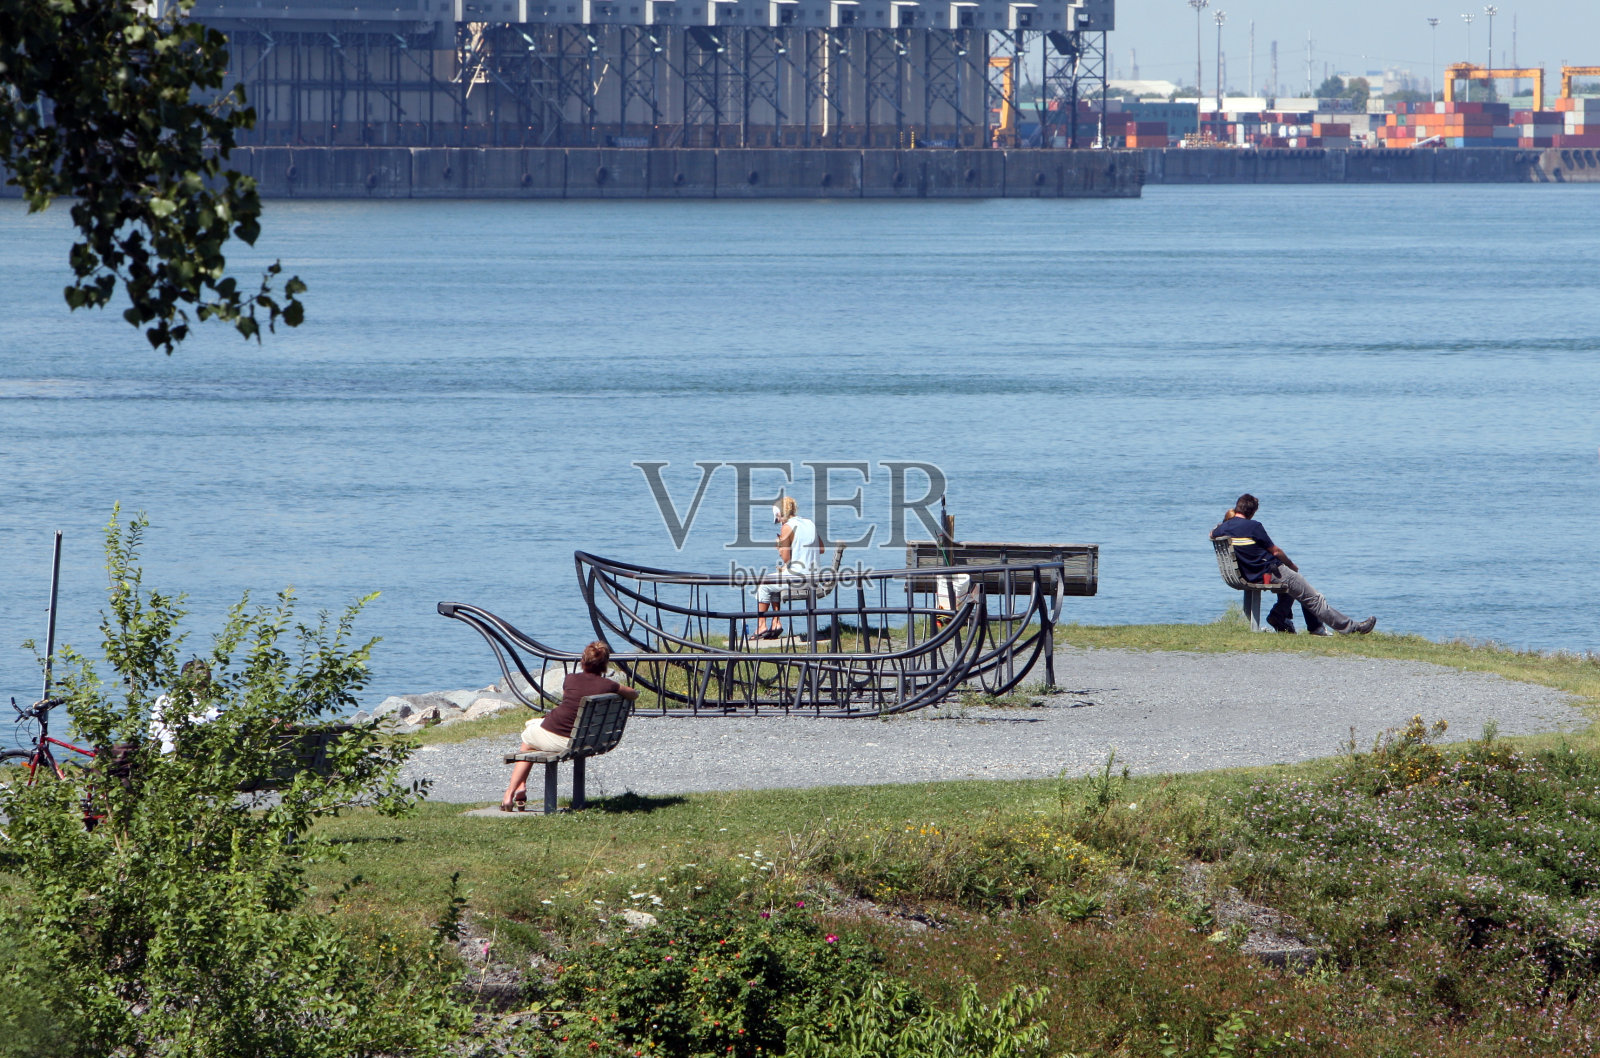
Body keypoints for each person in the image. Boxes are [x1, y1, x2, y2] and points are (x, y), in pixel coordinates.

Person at [1210, 493, 1376, 636]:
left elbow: (1212, 533)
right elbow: (1275, 551)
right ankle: (1351, 628)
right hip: (1270, 572)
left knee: (1295, 587)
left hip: (1249, 573)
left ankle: (1280, 617)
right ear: (1252, 511)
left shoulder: (1223, 528)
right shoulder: (1254, 526)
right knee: (1314, 597)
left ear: (1237, 507)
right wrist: (1291, 565)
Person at [501, 641, 638, 812]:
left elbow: (568, 702)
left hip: (563, 738)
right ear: (604, 665)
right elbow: (633, 694)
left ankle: (511, 792)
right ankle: (520, 786)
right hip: (585, 739)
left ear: (583, 661)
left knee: (528, 738)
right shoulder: (609, 686)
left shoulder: (570, 679)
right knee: (534, 726)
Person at [753, 496, 823, 640]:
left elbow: (786, 558)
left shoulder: (787, 527)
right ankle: (776, 623)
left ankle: (761, 626)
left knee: (763, 584)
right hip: (814, 577)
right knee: (772, 581)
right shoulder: (809, 523)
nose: (778, 521)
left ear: (780, 514)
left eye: (777, 518)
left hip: (799, 577)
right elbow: (821, 548)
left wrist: (782, 544)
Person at [149, 658, 221, 754]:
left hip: (158, 754)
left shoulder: (163, 699)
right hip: (182, 756)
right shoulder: (201, 705)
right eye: (205, 683)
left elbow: (152, 735)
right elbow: (222, 717)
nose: (208, 687)